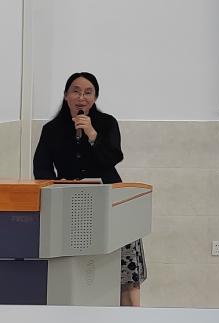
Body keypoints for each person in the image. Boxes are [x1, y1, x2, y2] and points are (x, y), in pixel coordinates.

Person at [33, 71, 147, 306]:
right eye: (75, 91)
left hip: (111, 203)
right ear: (66, 95)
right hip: (71, 206)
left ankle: (133, 321)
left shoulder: (107, 123)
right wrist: (59, 188)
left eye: (88, 92)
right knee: (81, 271)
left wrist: (92, 135)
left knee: (125, 272)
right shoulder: (51, 129)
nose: (81, 97)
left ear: (95, 98)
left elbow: (112, 158)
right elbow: (41, 169)